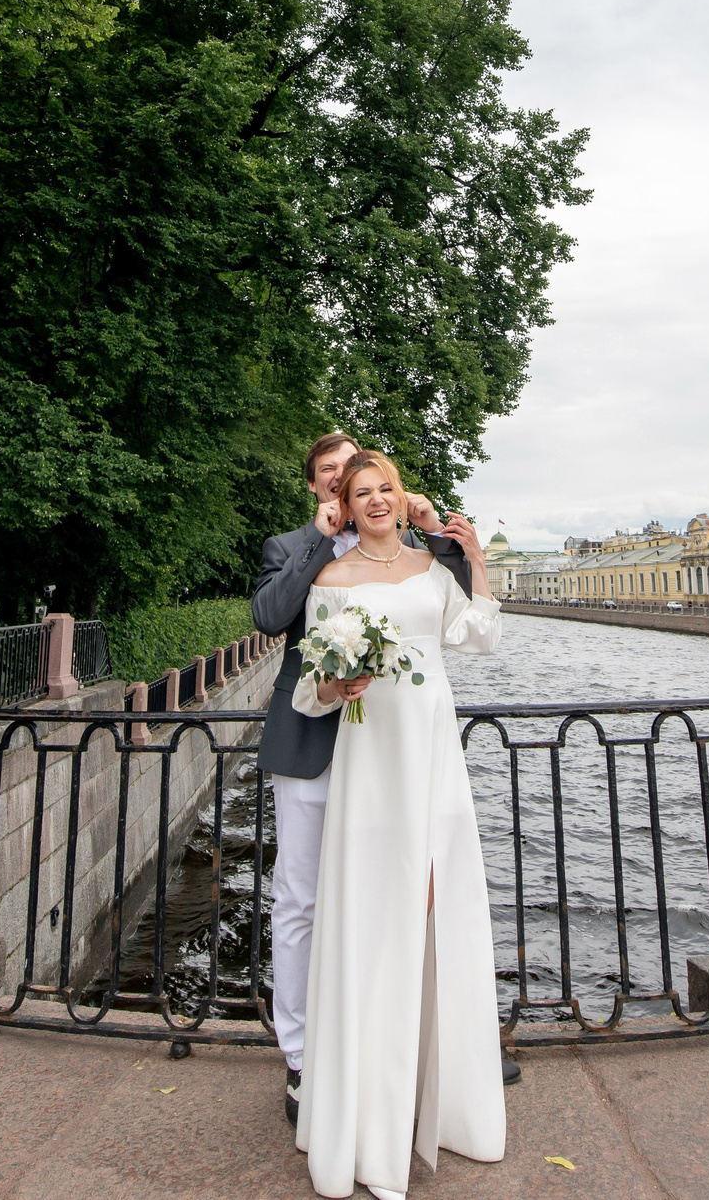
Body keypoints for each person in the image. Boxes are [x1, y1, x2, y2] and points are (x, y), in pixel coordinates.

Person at [291, 450, 505, 1200]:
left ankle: (440, 1105)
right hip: (369, 765)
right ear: (344, 505)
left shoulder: (431, 570)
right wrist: (330, 681)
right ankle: (365, 1119)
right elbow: (308, 698)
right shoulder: (328, 581)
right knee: (374, 921)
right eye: (362, 491)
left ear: (401, 495)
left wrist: (472, 554)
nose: (376, 499)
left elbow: (478, 635)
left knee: (435, 914)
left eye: (386, 487)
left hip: (434, 761)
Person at [251, 433, 472, 1125]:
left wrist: (435, 527)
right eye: (333, 475)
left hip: (389, 748)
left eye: (357, 470)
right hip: (314, 739)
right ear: (320, 489)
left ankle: (426, 1044)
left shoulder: (402, 540)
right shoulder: (292, 547)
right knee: (301, 900)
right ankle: (301, 1053)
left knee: (400, 889)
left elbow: (457, 607)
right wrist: (320, 542)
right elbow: (267, 616)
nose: (349, 482)